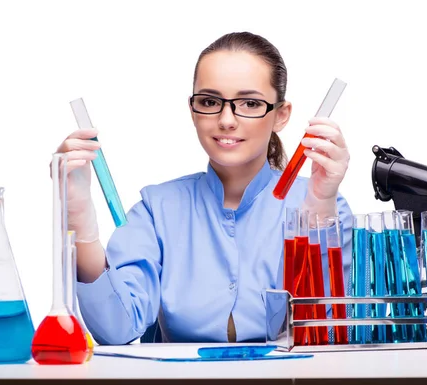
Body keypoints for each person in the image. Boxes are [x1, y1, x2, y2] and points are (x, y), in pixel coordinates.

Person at [55, 32, 353, 345]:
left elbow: (330, 335)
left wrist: (320, 211)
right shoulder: (157, 209)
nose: (226, 120)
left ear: (280, 115)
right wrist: (80, 221)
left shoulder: (322, 202)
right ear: (193, 110)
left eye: (250, 103)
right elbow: (115, 330)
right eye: (210, 102)